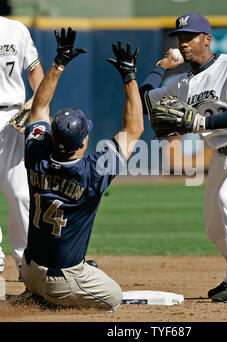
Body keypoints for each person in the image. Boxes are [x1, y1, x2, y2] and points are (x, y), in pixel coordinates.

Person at [140, 13, 227, 303]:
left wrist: (203, 124)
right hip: (220, 156)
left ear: (207, 38)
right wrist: (161, 68)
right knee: (214, 227)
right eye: (179, 38)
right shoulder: (182, 84)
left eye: (189, 36)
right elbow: (146, 102)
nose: (184, 42)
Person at [21, 28, 143, 310]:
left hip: (28, 270)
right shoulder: (93, 172)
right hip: (60, 280)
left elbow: (39, 107)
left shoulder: (35, 151)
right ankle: (52, 302)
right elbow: (134, 129)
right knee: (114, 297)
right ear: (83, 142)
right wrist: (130, 77)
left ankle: (39, 291)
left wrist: (59, 62)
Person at [0, 16, 44, 278]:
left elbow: (34, 68)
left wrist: (36, 101)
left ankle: (27, 266)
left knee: (20, 194)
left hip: (12, 118)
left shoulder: (15, 29)